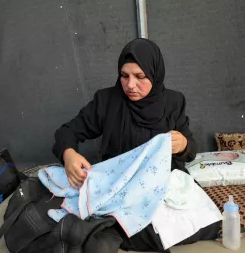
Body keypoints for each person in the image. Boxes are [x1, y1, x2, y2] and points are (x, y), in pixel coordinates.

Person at [53, 38, 197, 189]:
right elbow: (67, 132)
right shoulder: (106, 101)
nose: (130, 85)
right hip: (119, 185)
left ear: (155, 75)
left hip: (163, 185)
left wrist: (183, 145)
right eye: (124, 75)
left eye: (140, 77)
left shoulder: (173, 102)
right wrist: (68, 154)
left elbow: (191, 151)